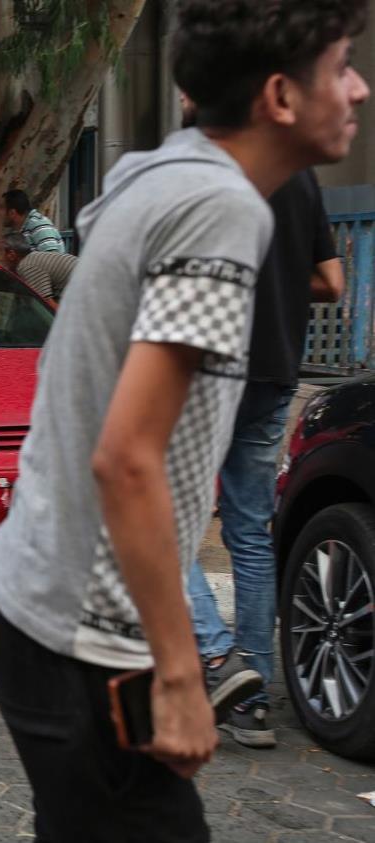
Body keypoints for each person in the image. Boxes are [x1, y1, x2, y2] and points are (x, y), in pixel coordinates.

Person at [0, 1, 368, 839]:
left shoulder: (162, 173)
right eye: (341, 65)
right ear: (278, 95)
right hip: (88, 640)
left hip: (37, 605)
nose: (359, 88)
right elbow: (126, 459)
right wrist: (183, 674)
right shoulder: (216, 207)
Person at [182, 107, 346, 747]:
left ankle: (220, 661)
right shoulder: (300, 175)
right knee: (250, 531)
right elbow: (331, 282)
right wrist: (273, 286)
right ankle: (253, 701)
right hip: (274, 370)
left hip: (203, 370)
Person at [1, 232, 78, 300]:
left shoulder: (27, 266)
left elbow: (47, 303)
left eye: (0, 252)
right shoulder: (33, 258)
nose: (0, 259)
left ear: (11, 255)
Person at [2, 189, 66, 254]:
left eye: (1, 209)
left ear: (12, 213)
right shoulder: (18, 230)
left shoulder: (39, 225)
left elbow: (52, 258)